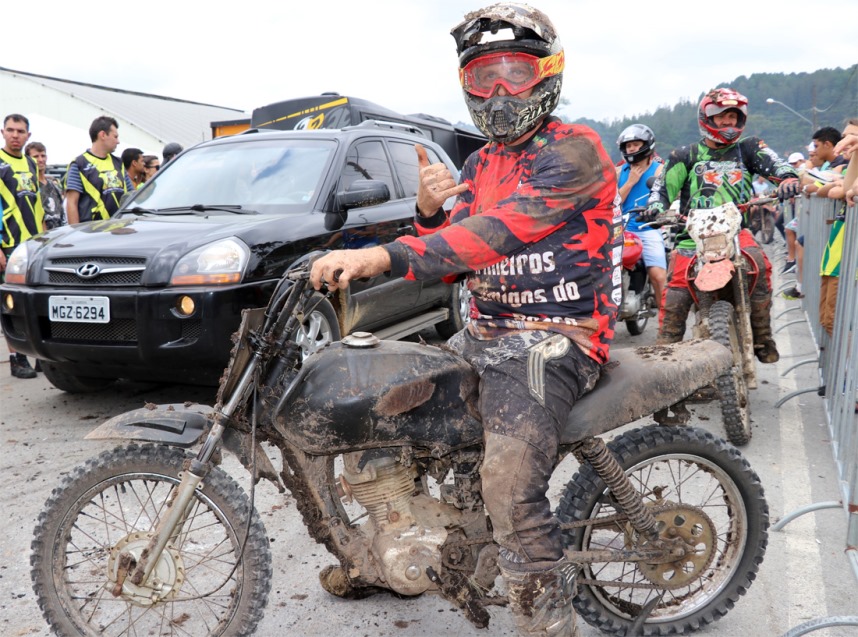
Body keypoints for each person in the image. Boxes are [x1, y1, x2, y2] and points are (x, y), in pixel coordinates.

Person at [310, 4, 620, 635]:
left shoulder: (575, 150)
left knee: (509, 489)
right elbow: (453, 256)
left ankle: (547, 623)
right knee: (377, 409)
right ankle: (388, 553)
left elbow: (494, 235)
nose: (500, 91)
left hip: (555, 337)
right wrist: (426, 215)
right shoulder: (479, 165)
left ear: (548, 75)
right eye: (484, 77)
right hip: (482, 331)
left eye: (514, 72)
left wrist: (383, 252)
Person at [642, 88, 800, 364]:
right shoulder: (685, 155)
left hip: (736, 234)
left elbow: (778, 166)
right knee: (675, 298)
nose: (728, 123)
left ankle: (762, 336)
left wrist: (787, 179)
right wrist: (655, 206)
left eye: (733, 117)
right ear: (707, 118)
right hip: (692, 238)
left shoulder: (749, 148)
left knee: (760, 266)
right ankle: (663, 363)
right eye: (722, 118)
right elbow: (660, 188)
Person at [0, 114, 44, 378]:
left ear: (28, 135)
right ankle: (16, 357)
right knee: (10, 304)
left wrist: (43, 237)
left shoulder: (29, 163)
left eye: (20, 131)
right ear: (2, 132)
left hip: (31, 243)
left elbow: (36, 204)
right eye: (10, 130)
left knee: (32, 300)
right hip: (7, 243)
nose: (15, 135)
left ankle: (38, 353)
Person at [616, 124, 666, 309]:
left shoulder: (660, 170)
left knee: (658, 276)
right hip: (622, 228)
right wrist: (630, 183)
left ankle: (666, 328)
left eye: (636, 144)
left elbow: (665, 196)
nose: (632, 149)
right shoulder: (619, 172)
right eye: (628, 146)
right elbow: (613, 203)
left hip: (648, 227)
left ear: (647, 145)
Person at [65, 116, 133, 224]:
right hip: (92, 231)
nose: (118, 141)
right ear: (103, 135)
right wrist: (75, 233)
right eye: (115, 137)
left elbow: (131, 196)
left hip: (119, 230)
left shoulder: (119, 163)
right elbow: (71, 202)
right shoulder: (79, 164)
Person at [24, 141, 65, 230]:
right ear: (28, 159)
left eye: (43, 156)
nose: (40, 160)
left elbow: (62, 214)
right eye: (36, 156)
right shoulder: (28, 186)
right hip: (39, 236)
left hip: (58, 234)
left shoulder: (54, 186)